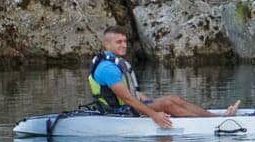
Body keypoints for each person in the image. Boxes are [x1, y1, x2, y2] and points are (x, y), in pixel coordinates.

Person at [88, 26, 239, 129]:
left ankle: (215, 116)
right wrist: (154, 115)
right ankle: (215, 121)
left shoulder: (115, 63)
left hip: (127, 107)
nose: (124, 45)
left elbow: (134, 93)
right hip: (117, 112)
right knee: (167, 103)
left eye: (125, 41)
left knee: (174, 99)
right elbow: (127, 99)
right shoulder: (108, 68)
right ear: (107, 45)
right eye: (119, 42)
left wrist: (149, 101)